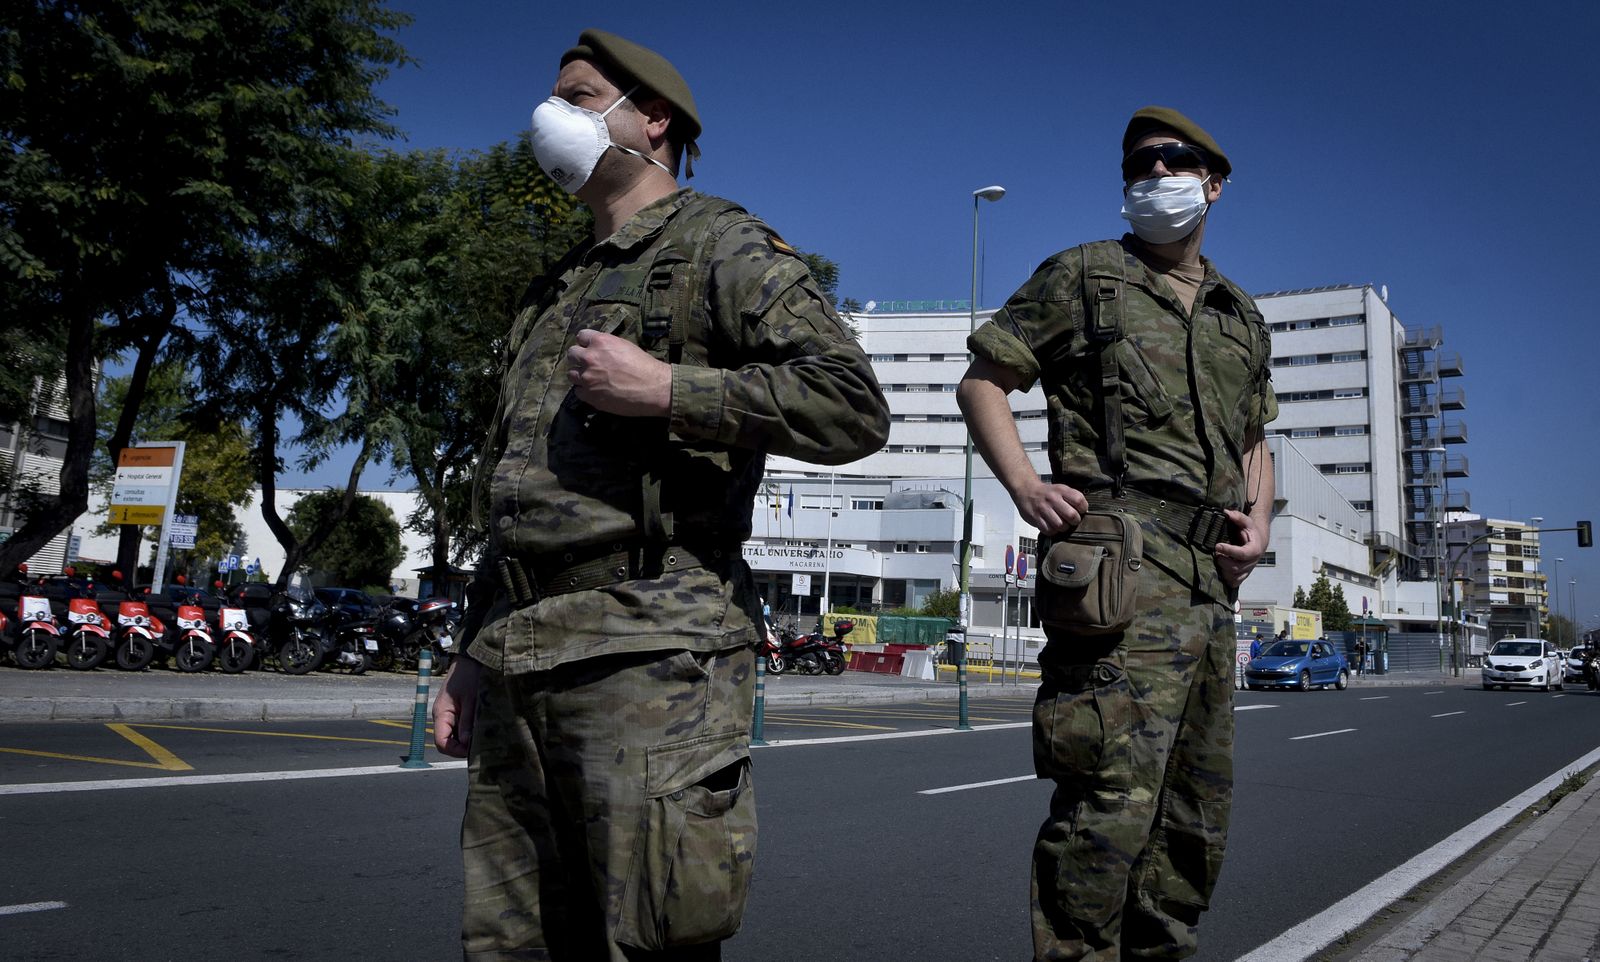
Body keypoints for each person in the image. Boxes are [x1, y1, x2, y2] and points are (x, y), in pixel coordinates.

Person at [430, 29, 890, 962]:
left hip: (650, 648)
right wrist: (472, 652)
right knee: (507, 946)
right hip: (523, 654)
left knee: (645, 942)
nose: (551, 114)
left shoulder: (723, 244)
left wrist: (670, 390)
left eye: (578, 94)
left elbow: (853, 407)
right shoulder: (557, 285)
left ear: (653, 119)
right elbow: (519, 496)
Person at [957, 106, 1276, 960]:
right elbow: (984, 381)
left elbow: (1254, 440)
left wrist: (1261, 525)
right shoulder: (1084, 276)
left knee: (1192, 823)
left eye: (1174, 162)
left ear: (1215, 184)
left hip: (1210, 587)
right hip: (1120, 575)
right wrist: (1026, 485)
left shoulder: (1239, 315)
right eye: (1140, 164)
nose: (1155, 176)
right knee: (1107, 812)